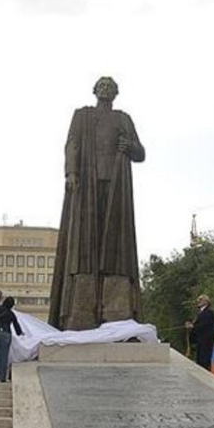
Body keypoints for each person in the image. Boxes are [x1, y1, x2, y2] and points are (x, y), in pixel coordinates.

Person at [49, 76, 146, 331]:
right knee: (84, 247)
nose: (105, 90)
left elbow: (141, 153)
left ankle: (116, 311)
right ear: (94, 91)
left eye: (110, 87)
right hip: (87, 186)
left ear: (116, 93)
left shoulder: (123, 118)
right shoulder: (82, 116)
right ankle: (81, 314)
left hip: (116, 187)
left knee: (116, 248)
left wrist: (130, 146)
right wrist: (71, 172)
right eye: (101, 86)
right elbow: (72, 144)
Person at [0, 292, 23, 383]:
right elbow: (16, 326)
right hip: (5, 334)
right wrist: (20, 333)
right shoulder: (11, 313)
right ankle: (2, 378)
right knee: (3, 357)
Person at [185, 294, 214, 370]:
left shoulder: (209, 312)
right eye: (198, 299)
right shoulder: (200, 313)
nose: (198, 301)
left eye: (200, 299)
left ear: (206, 301)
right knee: (200, 359)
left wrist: (193, 326)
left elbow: (205, 325)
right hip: (200, 340)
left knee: (204, 359)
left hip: (206, 340)